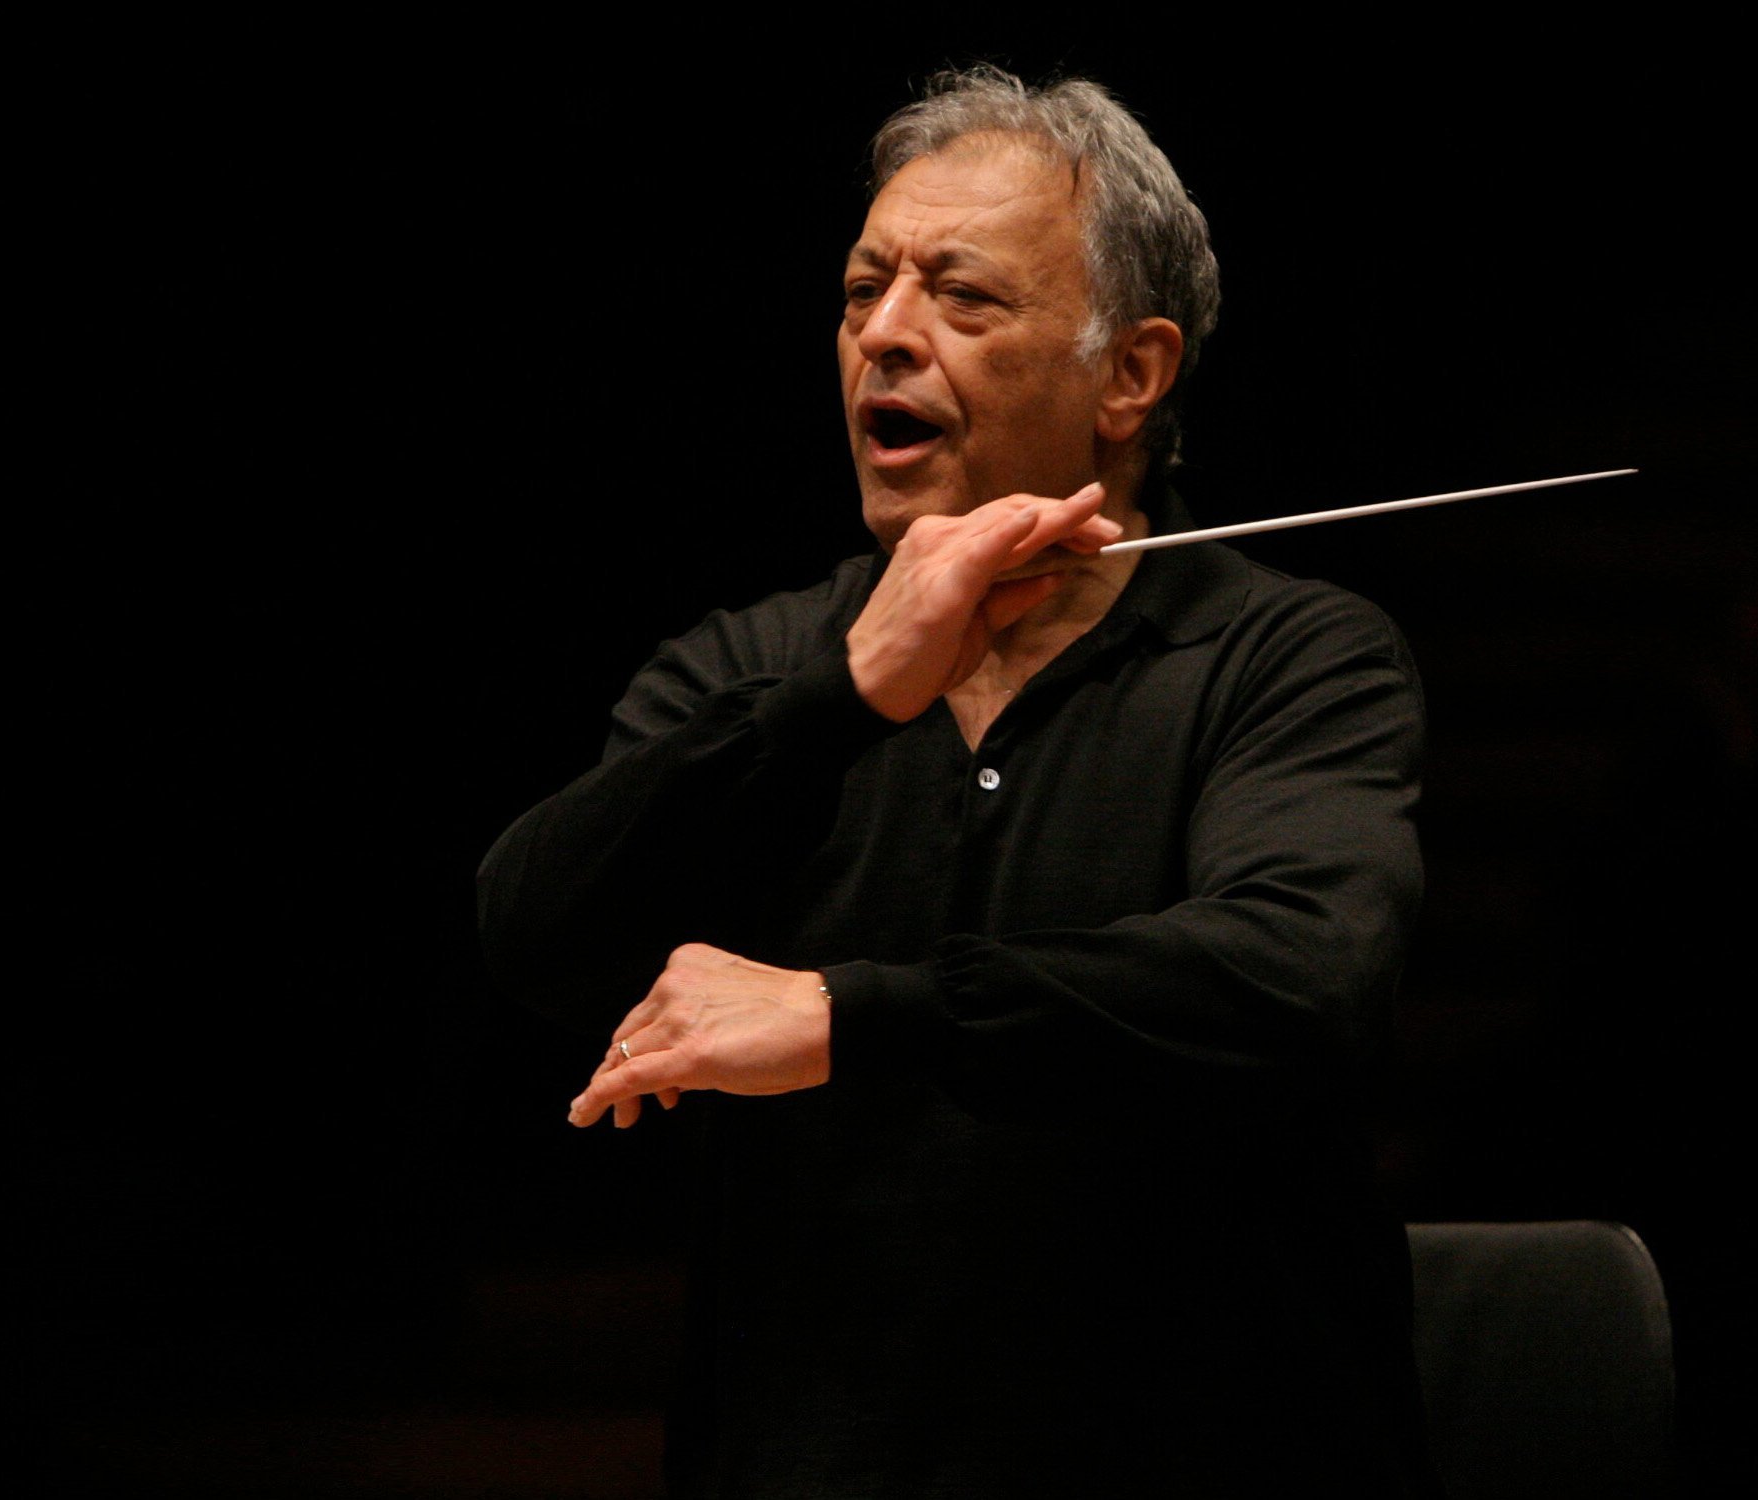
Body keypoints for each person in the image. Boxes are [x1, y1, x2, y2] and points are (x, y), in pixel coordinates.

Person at [479, 66, 1436, 1496]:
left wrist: (843, 1013)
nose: (884, 335)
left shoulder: (1291, 659)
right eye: (864, 289)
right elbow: (533, 931)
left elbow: (1297, 974)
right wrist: (846, 694)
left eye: (962, 297)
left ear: (1132, 374)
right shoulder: (754, 667)